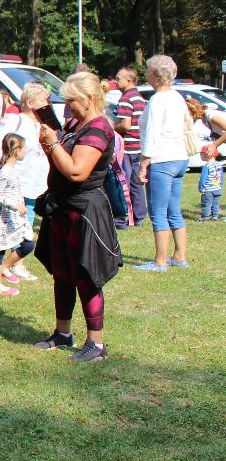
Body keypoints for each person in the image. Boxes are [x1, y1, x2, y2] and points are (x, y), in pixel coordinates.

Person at [35, 72, 123, 362]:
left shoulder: (99, 129)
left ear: (88, 99)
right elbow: (59, 162)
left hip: (85, 211)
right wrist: (49, 143)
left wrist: (53, 144)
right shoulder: (75, 124)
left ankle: (95, 344)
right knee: (62, 274)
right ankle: (63, 333)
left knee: (86, 275)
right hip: (62, 208)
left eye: (72, 100)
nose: (68, 105)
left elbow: (76, 171)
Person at [0, 81, 51, 280]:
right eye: (42, 100)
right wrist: (4, 169)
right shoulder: (15, 120)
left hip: (34, 182)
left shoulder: (41, 124)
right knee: (16, 226)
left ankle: (13, 263)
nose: (46, 104)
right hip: (15, 183)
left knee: (23, 224)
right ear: (29, 102)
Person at [134, 55, 190, 271]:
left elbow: (152, 133)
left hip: (162, 159)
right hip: (179, 157)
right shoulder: (178, 97)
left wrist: (143, 163)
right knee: (174, 209)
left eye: (148, 71)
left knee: (158, 212)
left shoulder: (157, 100)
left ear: (157, 75)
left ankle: (159, 262)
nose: (146, 74)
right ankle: (180, 256)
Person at [0, 134, 36, 296]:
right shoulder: (5, 171)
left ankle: (4, 267)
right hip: (2, 219)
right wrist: (15, 205)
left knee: (28, 244)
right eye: (24, 148)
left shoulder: (11, 169)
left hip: (13, 218)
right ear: (17, 150)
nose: (26, 151)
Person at [113, 66, 148, 227]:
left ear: (128, 81)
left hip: (127, 147)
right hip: (138, 146)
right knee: (135, 182)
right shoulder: (139, 98)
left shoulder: (126, 98)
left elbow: (125, 125)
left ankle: (123, 216)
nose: (115, 81)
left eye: (118, 78)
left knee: (123, 182)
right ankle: (139, 216)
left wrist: (112, 127)